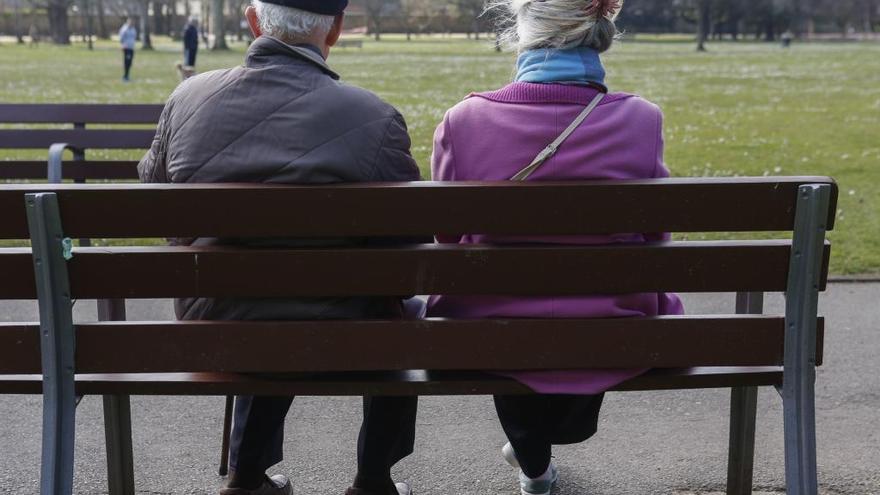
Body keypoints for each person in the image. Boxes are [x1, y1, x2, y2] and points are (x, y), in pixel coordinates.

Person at [137, 1, 421, 494]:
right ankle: (374, 477)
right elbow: (407, 251)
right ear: (334, 29)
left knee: (256, 296)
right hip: (343, 331)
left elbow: (157, 203)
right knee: (395, 311)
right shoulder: (373, 116)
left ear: (253, 20)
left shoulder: (188, 97)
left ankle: (246, 476)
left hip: (215, 323)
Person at [426, 1, 685, 494]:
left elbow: (447, 237)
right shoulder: (641, 120)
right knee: (580, 335)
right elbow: (656, 240)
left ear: (524, 37)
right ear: (596, 37)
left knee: (509, 331)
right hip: (613, 326)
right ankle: (541, 449)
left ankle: (533, 458)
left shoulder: (464, 120)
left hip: (488, 330)